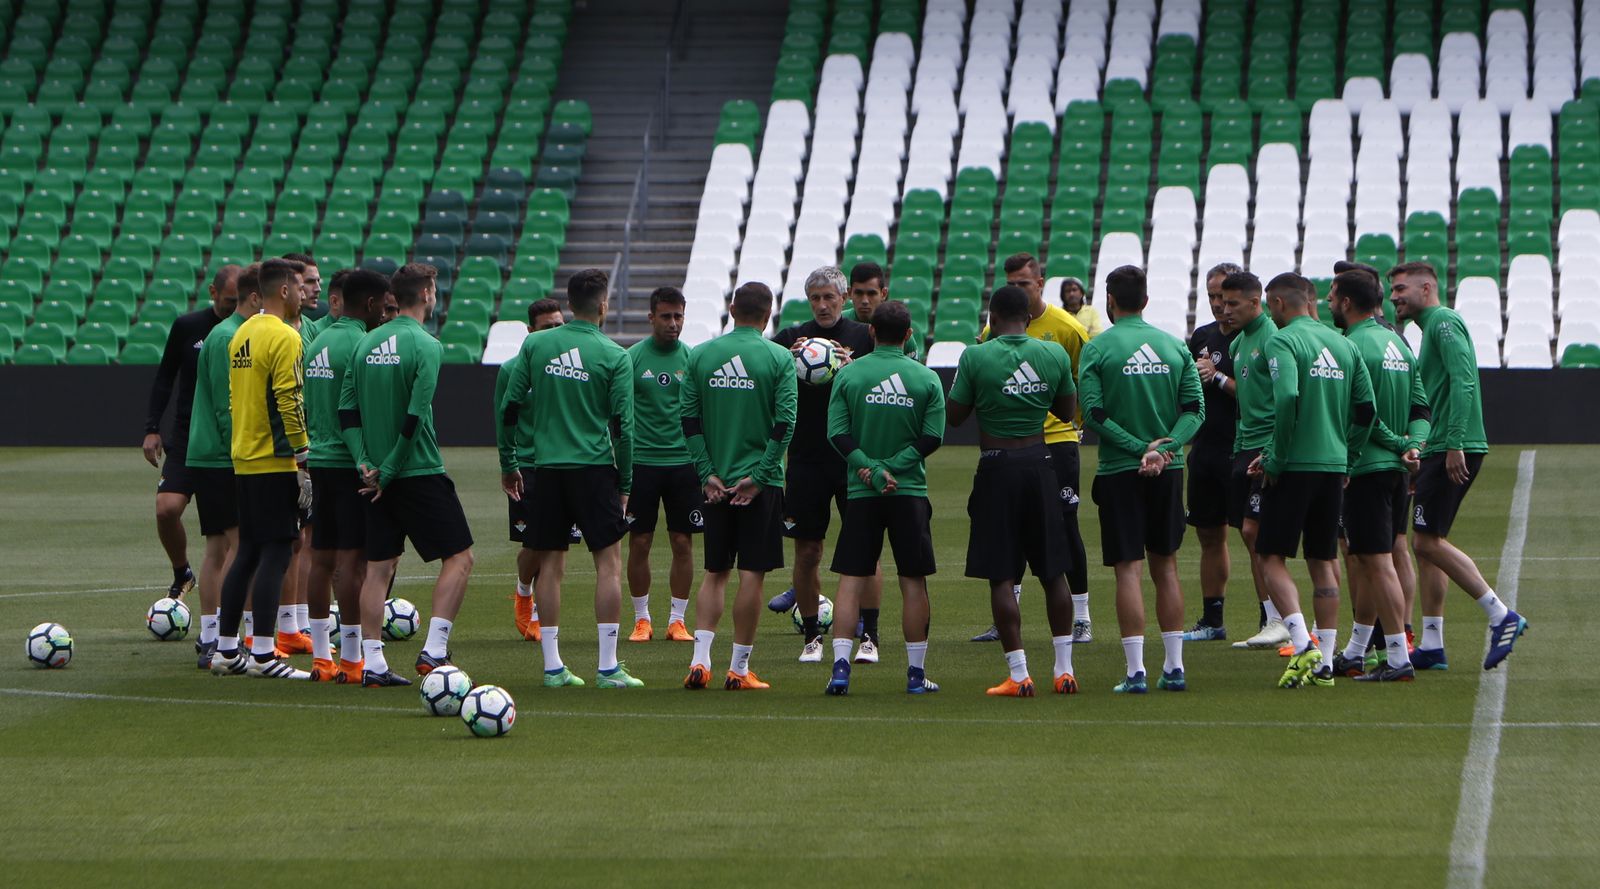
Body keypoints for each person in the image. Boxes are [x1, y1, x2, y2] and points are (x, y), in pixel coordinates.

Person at [500, 269, 637, 689]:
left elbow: (509, 407)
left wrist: (508, 462)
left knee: (551, 566)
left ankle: (553, 667)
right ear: (603, 305)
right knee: (608, 566)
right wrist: (626, 483)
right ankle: (608, 667)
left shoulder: (536, 345)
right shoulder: (615, 355)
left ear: (569, 302)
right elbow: (624, 428)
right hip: (594, 469)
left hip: (546, 469)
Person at [340, 263, 475, 687]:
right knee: (460, 558)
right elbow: (415, 416)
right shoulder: (427, 345)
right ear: (428, 294)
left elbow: (346, 410)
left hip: (372, 477)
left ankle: (374, 665)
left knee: (378, 568)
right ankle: (434, 650)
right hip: (416, 470)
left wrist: (365, 463)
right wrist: (392, 469)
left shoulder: (365, 343)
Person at [1389, 262, 1528, 671]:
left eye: (1400, 289)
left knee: (1425, 543)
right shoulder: (1430, 328)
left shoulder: (1444, 322)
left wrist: (1453, 444)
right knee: (1430, 542)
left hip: (1453, 445)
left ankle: (1501, 615)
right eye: (1392, 290)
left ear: (1426, 288)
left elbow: (1463, 380)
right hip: (1440, 446)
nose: (1394, 297)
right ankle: (1432, 644)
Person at [947, 285, 1079, 697]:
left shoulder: (975, 356)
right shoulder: (1053, 353)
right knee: (1053, 572)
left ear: (991, 317)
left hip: (996, 466)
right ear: (1029, 316)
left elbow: (955, 416)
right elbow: (1066, 412)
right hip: (1040, 463)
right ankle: (1064, 670)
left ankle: (1019, 674)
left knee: (1002, 575)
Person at [1079, 266, 1205, 693]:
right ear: (1146, 301)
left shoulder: (1097, 348)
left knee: (1128, 571)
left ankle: (1136, 672)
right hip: (1168, 470)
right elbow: (1195, 411)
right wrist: (1166, 449)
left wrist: (1140, 450)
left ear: (1109, 301)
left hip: (1121, 470)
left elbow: (1094, 414)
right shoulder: (1174, 346)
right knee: (1166, 567)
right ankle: (1175, 667)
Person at [1248, 273, 1377, 689]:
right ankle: (1325, 661)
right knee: (1323, 561)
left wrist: (1277, 457)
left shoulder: (1282, 341)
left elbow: (1287, 396)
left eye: (1269, 305)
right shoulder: (1344, 344)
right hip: (1333, 465)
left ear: (1278, 303)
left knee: (1270, 557)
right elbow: (1367, 409)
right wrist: (1349, 456)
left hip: (1295, 465)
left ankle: (1304, 644)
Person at [822, 300, 946, 695]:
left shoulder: (849, 374)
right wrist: (892, 467)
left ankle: (840, 670)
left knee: (851, 581)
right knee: (913, 581)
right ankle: (915, 675)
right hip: (908, 491)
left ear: (872, 331)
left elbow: (837, 434)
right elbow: (932, 437)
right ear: (908, 335)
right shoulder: (926, 378)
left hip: (862, 491)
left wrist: (871, 469)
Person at [971, 254, 1093, 645]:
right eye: (1010, 284)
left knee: (1065, 526)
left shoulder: (1067, 328)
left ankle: (1082, 617)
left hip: (1056, 442)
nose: (1016, 290)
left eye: (1023, 283)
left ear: (1040, 284)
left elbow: (1085, 380)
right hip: (1010, 445)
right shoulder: (993, 330)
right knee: (1011, 529)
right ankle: (1008, 616)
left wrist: (1077, 424)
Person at [680, 282, 797, 690]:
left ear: (732, 310)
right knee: (751, 575)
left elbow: (689, 420)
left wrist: (706, 473)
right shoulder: (779, 357)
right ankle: (739, 669)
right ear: (768, 314)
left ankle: (699, 661)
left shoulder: (700, 355)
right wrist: (760, 478)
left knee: (715, 572)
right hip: (759, 486)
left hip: (716, 482)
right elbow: (785, 424)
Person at [766, 266, 885, 664]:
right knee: (807, 552)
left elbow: (885, 384)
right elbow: (765, 382)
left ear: (843, 299)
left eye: (829, 297)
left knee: (865, 549)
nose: (821, 305)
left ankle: (870, 636)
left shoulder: (865, 337)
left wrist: (854, 367)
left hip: (855, 461)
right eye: (815, 298)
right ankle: (812, 636)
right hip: (805, 460)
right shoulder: (789, 340)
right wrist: (786, 362)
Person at [208, 258, 311, 680]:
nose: (303, 294)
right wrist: (302, 455)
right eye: (299, 287)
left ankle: (226, 649)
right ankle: (264, 655)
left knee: (248, 550)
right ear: (284, 291)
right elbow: (289, 398)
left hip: (244, 457)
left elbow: (236, 399)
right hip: (275, 458)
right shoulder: (285, 336)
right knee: (277, 550)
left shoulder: (242, 333)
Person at [1327, 270, 1427, 682]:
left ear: (1347, 302)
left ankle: (1398, 658)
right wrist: (1413, 445)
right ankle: (1355, 650)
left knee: (1377, 561)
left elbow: (1362, 415)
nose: (1328, 303)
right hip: (1397, 471)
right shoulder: (1397, 343)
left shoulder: (1350, 346)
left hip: (1366, 467)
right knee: (1369, 558)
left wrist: (1374, 450)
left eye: (1332, 296)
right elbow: (1420, 407)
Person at [302, 269, 395, 683]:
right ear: (371, 304)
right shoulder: (362, 344)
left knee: (320, 558)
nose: (385, 315)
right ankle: (354, 659)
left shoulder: (318, 341)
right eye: (384, 307)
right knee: (353, 562)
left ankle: (322, 658)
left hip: (319, 459)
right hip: (349, 462)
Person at [142, 266, 236, 600]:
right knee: (166, 509)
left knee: (224, 538)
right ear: (213, 292)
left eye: (239, 300)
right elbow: (165, 377)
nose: (234, 306)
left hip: (227, 440)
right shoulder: (187, 326)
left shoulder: (246, 330)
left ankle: (223, 613)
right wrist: (152, 428)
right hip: (186, 435)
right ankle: (182, 571)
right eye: (229, 300)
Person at [624, 287, 700, 644]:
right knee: (639, 542)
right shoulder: (632, 358)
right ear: (651, 317)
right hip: (642, 463)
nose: (673, 323)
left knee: (682, 542)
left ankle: (677, 621)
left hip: (684, 464)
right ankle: (641, 619)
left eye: (678, 316)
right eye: (666, 316)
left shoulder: (693, 359)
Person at [183, 264, 249, 668]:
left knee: (218, 548)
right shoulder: (229, 337)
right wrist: (238, 452)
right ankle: (226, 639)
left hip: (209, 454)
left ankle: (211, 636)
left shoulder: (223, 333)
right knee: (240, 548)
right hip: (223, 456)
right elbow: (228, 405)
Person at [1220, 271, 1287, 650]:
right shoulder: (1238, 342)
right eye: (1222, 302)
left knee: (1256, 532)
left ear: (1254, 302)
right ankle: (1272, 616)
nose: (1225, 310)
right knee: (1249, 534)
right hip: (1244, 445)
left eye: (1233, 303)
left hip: (1266, 446)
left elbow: (1285, 396)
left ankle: (1281, 618)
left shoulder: (1272, 338)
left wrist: (1274, 448)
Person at [496, 297, 566, 643]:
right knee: (535, 544)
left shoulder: (571, 367)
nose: (554, 333)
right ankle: (524, 589)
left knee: (558, 547)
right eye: (547, 327)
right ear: (530, 331)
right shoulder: (512, 370)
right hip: (528, 466)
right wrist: (508, 464)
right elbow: (503, 417)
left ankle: (539, 614)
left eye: (559, 326)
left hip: (566, 463)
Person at [1182, 262, 1242, 642]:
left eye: (1223, 296)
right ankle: (1212, 620)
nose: (1218, 303)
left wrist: (1217, 377)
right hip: (1205, 449)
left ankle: (1270, 620)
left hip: (1242, 449)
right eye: (1211, 296)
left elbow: (1261, 394)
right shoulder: (1202, 336)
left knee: (1254, 536)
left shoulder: (1254, 337)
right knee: (1209, 535)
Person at [842, 262, 921, 358]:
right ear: (849, 293)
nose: (865, 301)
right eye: (859, 293)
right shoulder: (839, 322)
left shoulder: (899, 327)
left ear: (883, 294)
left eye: (871, 293)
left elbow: (912, 366)